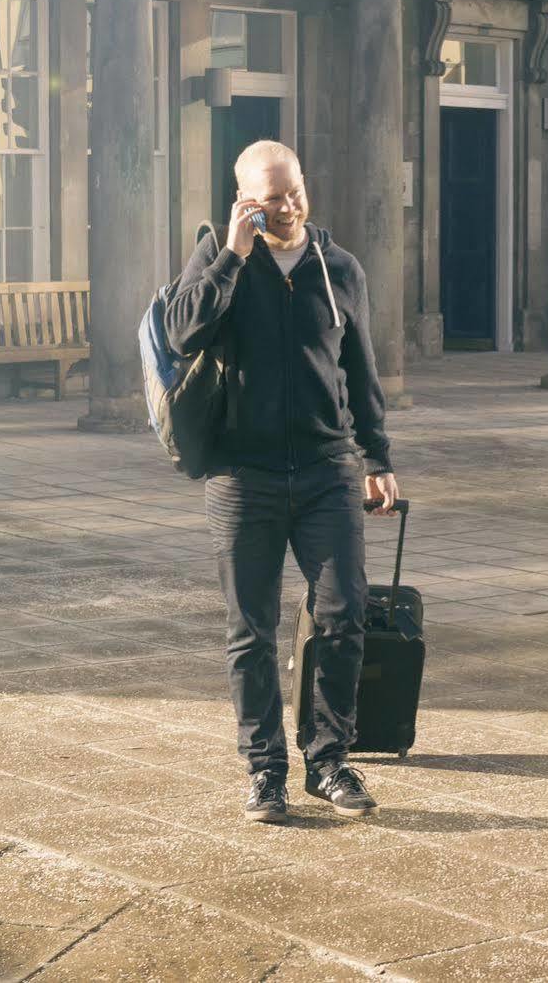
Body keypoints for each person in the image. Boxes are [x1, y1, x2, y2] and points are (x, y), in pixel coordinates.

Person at [164, 140, 400, 824]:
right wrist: (233, 257)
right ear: (244, 200)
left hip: (329, 469)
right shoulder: (217, 259)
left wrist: (377, 457)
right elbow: (182, 333)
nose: (288, 206)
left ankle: (327, 761)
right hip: (243, 475)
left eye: (294, 190)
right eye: (271, 198)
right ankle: (265, 770)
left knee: (342, 613)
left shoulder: (340, 268)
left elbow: (361, 369)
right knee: (251, 628)